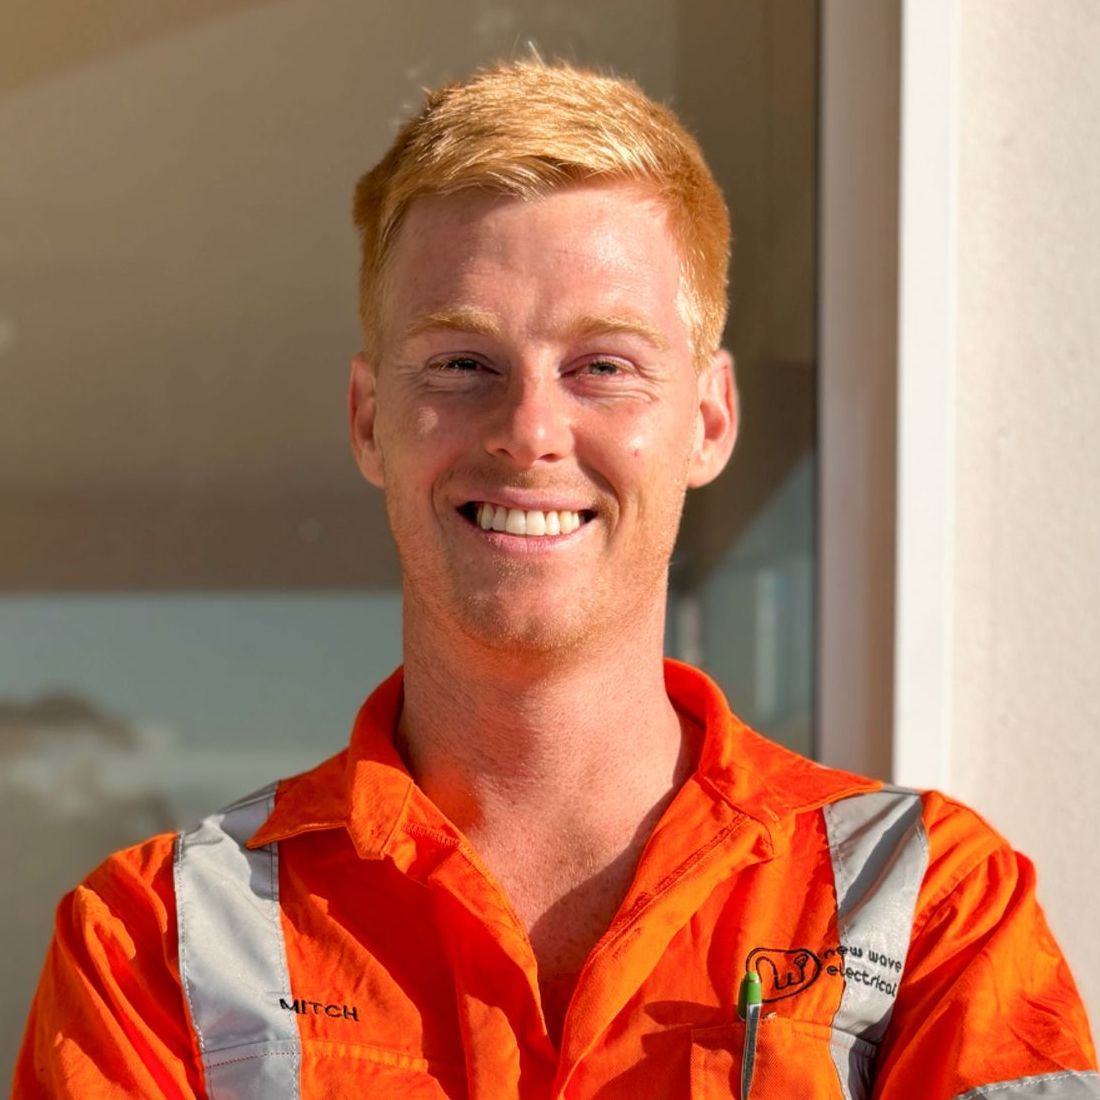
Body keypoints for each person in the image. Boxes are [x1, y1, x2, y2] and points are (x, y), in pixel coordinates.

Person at [14, 59, 1098, 1100]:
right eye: (462, 363)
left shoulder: (933, 908)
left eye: (603, 366)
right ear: (368, 419)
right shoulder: (152, 945)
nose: (530, 430)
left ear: (708, 419)